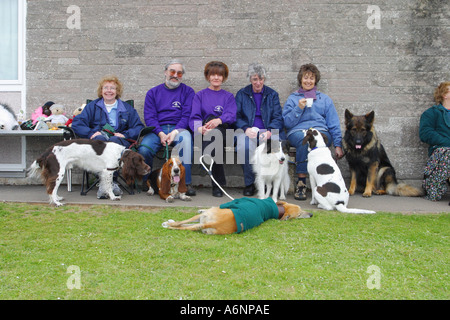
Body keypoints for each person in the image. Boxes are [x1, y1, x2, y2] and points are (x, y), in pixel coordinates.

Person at [72, 75, 144, 199]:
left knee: (114, 142)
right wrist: (91, 133)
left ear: (117, 92)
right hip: (99, 141)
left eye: (112, 88)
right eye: (105, 88)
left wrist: (125, 134)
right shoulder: (92, 106)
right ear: (101, 91)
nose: (109, 91)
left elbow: (138, 127)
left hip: (119, 141)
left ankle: (112, 182)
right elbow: (77, 123)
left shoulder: (127, 108)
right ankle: (103, 183)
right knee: (100, 141)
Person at [282, 63, 344, 200]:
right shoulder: (293, 98)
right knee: (306, 140)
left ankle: (326, 183)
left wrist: (338, 145)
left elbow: (333, 124)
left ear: (316, 80)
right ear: (301, 79)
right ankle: (301, 183)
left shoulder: (324, 99)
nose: (308, 81)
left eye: (311, 78)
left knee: (316, 139)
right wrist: (298, 108)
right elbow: (286, 123)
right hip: (297, 131)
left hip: (321, 131)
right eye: (305, 78)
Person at [138, 59, 196, 196]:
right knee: (144, 148)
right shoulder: (153, 93)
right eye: (172, 71)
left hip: (180, 129)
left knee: (186, 142)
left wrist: (175, 132)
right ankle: (147, 182)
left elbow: (187, 115)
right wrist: (160, 133)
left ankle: (185, 184)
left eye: (179, 73)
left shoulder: (188, 92)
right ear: (165, 72)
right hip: (157, 130)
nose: (175, 75)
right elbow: (150, 117)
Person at [235, 62, 284, 196]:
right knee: (244, 146)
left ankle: (272, 185)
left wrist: (269, 131)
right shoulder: (242, 94)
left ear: (264, 79)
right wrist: (245, 128)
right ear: (250, 79)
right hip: (248, 131)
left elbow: (278, 117)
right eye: (255, 79)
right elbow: (236, 116)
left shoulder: (272, 94)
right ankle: (250, 184)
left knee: (274, 146)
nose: (258, 82)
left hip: (268, 131)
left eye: (261, 79)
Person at [190, 61, 237, 197]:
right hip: (204, 133)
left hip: (224, 131)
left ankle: (205, 161)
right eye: (213, 75)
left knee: (215, 134)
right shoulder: (200, 96)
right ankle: (217, 184)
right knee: (212, 137)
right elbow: (194, 117)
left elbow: (232, 115)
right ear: (207, 77)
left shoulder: (228, 97)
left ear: (224, 77)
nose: (216, 78)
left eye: (219, 75)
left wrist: (219, 120)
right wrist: (200, 129)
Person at [419, 81, 450, 203]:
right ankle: (433, 187)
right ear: (444, 94)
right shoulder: (431, 113)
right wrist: (447, 142)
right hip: (441, 153)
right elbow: (425, 133)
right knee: (448, 153)